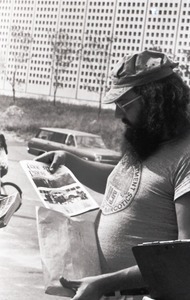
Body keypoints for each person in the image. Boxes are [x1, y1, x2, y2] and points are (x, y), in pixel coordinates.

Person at [35, 50, 190, 300]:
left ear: (157, 100)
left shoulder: (186, 155)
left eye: (124, 104)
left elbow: (183, 258)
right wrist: (71, 161)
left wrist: (103, 283)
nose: (118, 115)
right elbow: (124, 185)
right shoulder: (148, 140)